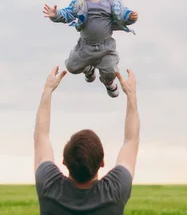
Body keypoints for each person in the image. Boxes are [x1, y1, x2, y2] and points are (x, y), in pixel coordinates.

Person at [34, 65, 140, 214]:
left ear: (64, 161)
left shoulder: (49, 186)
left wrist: (48, 90)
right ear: (102, 162)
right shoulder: (115, 192)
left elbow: (41, 136)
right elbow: (131, 141)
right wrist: (131, 94)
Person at [43, 0, 138, 98]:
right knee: (71, 67)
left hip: (106, 48)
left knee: (110, 71)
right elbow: (68, 14)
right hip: (85, 46)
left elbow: (123, 16)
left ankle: (108, 82)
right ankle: (88, 69)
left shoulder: (111, 3)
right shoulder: (79, 2)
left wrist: (131, 18)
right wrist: (56, 15)